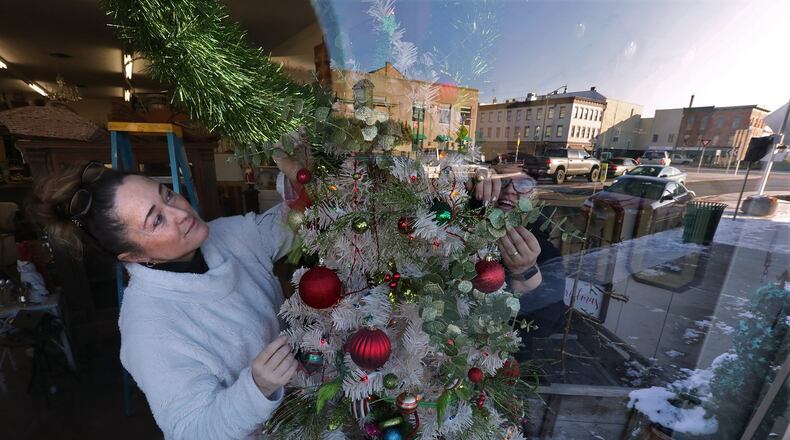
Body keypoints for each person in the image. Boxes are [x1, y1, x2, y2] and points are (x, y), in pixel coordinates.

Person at [30, 153, 304, 439]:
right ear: (134, 255)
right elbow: (191, 430)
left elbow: (291, 224)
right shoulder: (148, 328)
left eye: (168, 196)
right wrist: (256, 388)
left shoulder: (229, 235)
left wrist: (298, 179)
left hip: (309, 402)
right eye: (157, 220)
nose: (182, 214)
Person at [473, 165, 567, 340]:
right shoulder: (464, 228)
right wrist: (474, 178)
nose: (509, 190)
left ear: (535, 197)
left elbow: (547, 326)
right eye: (504, 180)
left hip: (502, 358)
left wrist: (526, 272)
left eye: (524, 185)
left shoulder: (544, 252)